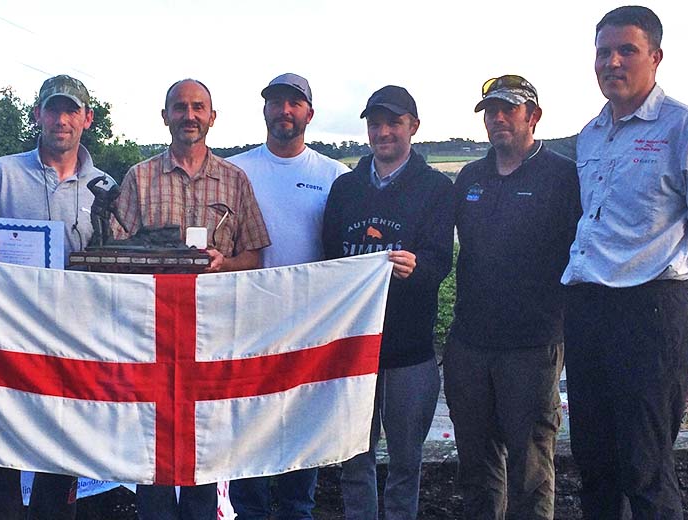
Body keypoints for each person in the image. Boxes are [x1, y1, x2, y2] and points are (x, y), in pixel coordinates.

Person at [561, 6, 688, 519]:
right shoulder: (590, 134)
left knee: (645, 467)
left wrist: (671, 266)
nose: (612, 61)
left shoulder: (686, 126)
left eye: (626, 50)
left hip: (650, 312)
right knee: (594, 464)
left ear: (655, 56)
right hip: (589, 309)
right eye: (603, 51)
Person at [0, 75, 113, 520]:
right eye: (53, 110)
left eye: (71, 111)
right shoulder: (2, 171)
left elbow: (115, 266)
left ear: (87, 119)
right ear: (38, 114)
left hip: (72, 338)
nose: (61, 120)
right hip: (7, 336)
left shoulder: (105, 186)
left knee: (61, 454)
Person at [112, 78, 271, 519]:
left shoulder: (235, 181)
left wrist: (225, 263)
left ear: (212, 117)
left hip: (213, 335)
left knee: (207, 444)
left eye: (198, 107)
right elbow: (113, 254)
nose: (189, 115)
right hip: (150, 336)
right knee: (153, 445)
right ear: (165, 117)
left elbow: (254, 255)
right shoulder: (139, 179)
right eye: (179, 107)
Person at [444, 75, 580, 519]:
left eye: (509, 109)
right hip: (469, 343)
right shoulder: (470, 176)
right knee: (476, 469)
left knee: (531, 469)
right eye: (490, 112)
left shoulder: (562, 176)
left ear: (533, 117)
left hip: (533, 344)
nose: (497, 118)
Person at [322, 85, 453, 520]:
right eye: (375, 123)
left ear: (413, 127)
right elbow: (329, 262)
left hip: (409, 350)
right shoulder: (345, 189)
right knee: (354, 458)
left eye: (393, 122)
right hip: (354, 348)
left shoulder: (435, 188)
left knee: (405, 460)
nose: (383, 132)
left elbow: (441, 262)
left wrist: (418, 268)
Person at [226, 73, 349, 520]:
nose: (284, 111)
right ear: (264, 111)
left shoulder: (335, 176)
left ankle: (298, 511)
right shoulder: (235, 171)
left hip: (308, 329)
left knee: (301, 434)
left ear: (309, 114)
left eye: (294, 104)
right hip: (246, 326)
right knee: (248, 433)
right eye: (276, 102)